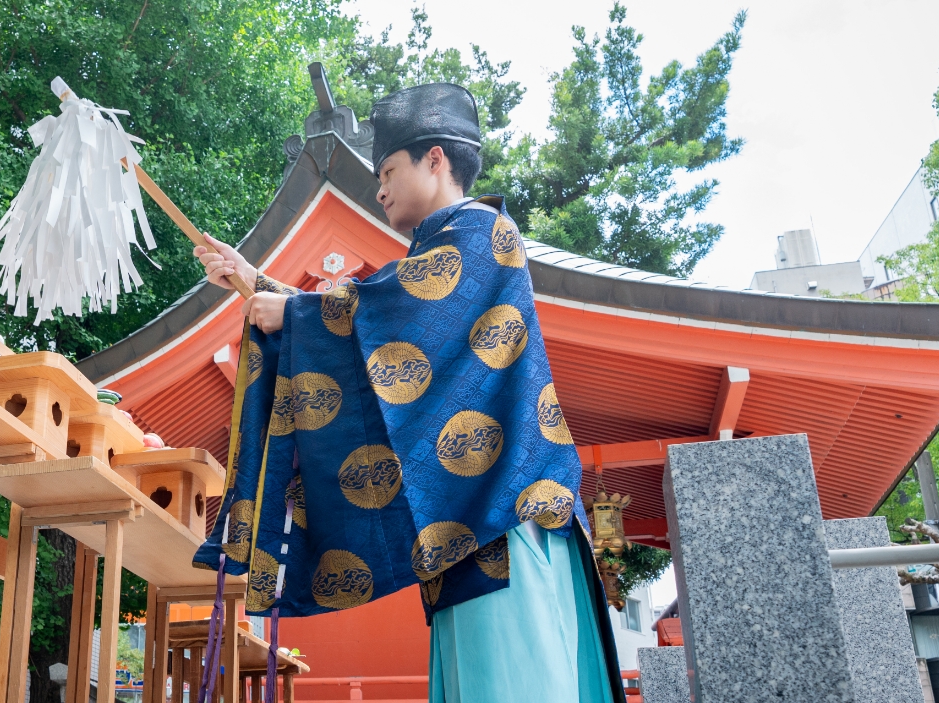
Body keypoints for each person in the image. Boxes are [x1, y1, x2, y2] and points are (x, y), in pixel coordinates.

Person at [191, 83, 623, 703]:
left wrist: (292, 312)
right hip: (468, 528)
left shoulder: (483, 233)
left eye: (389, 169)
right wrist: (250, 279)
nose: (380, 188)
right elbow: (375, 328)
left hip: (508, 513)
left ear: (437, 160)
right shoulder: (438, 254)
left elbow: (392, 310)